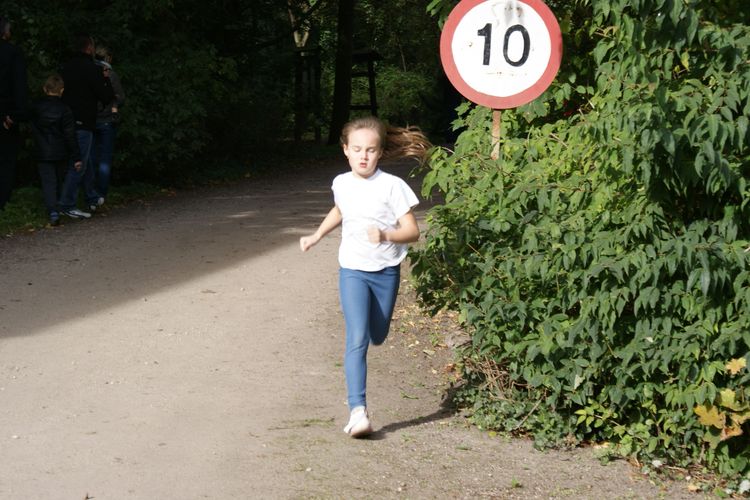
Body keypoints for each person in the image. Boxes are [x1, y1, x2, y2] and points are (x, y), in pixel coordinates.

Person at [299, 116, 431, 438]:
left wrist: (386, 235)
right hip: (353, 270)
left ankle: (372, 339)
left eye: (370, 150)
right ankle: (358, 411)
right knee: (356, 337)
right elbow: (340, 209)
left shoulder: (392, 186)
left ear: (380, 152)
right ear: (345, 149)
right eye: (357, 149)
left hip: (386, 271)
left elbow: (412, 231)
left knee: (378, 334)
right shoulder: (342, 183)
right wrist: (316, 235)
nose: (363, 156)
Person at [58, 34, 114, 219]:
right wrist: (105, 78)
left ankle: (91, 196)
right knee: (80, 163)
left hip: (66, 120)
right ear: (89, 48)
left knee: (86, 159)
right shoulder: (92, 69)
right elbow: (106, 96)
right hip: (83, 121)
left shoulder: (66, 67)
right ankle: (67, 204)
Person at [30, 74, 81, 226]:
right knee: (58, 180)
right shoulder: (65, 109)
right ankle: (59, 205)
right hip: (60, 151)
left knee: (48, 182)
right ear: (62, 90)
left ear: (45, 88)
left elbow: (27, 119)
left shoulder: (36, 107)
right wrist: (77, 156)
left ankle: (53, 211)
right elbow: (70, 135)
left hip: (42, 151)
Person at [0, 15, 28, 210]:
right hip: (5, 114)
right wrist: (16, 115)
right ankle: (2, 201)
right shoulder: (12, 53)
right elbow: (19, 86)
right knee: (6, 159)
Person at [91, 45, 125, 198]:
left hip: (91, 119)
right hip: (107, 119)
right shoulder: (110, 74)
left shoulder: (89, 72)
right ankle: (101, 193)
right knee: (105, 158)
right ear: (108, 58)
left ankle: (90, 191)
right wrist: (114, 104)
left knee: (91, 156)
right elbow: (120, 97)